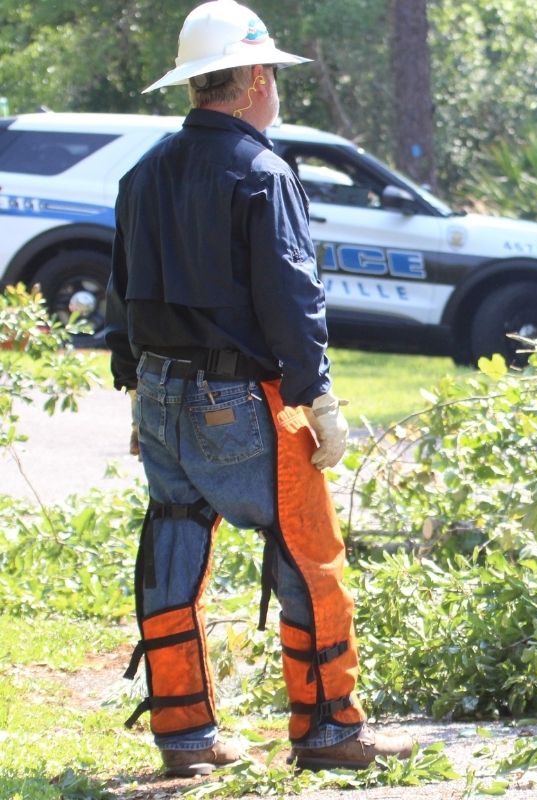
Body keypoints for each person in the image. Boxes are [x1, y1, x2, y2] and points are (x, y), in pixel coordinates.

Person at [105, 0, 414, 777]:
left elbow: (124, 292)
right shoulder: (262, 171)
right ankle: (328, 731)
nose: (275, 87)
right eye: (271, 73)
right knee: (308, 557)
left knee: (174, 549)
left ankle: (185, 742)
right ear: (247, 82)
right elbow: (291, 299)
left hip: (162, 395)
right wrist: (319, 399)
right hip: (238, 403)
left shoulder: (142, 174)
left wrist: (137, 391)